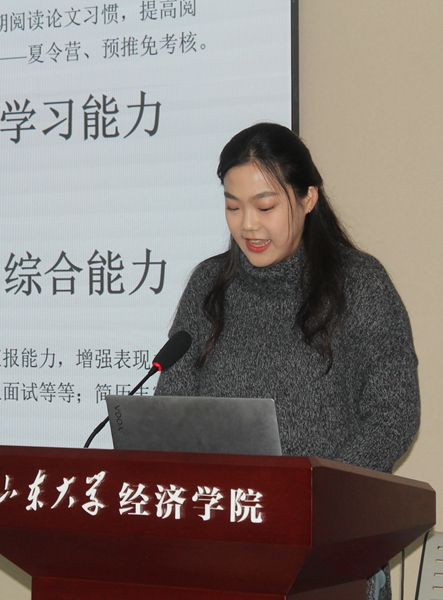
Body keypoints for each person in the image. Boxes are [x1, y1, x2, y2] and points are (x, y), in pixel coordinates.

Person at [154, 122, 419, 600]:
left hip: (328, 554)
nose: (248, 225)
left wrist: (309, 498)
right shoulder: (209, 286)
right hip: (218, 550)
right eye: (233, 206)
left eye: (265, 207)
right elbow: (173, 409)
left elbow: (393, 416)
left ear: (308, 197)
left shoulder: (360, 285)